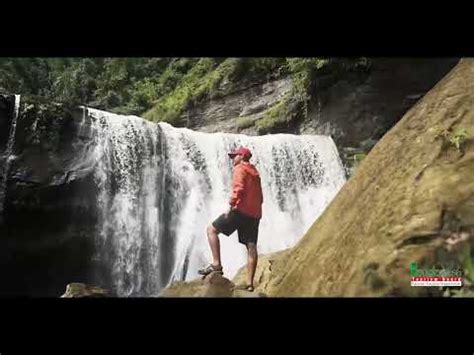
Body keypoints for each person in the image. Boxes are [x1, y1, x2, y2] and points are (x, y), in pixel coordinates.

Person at [198, 146, 263, 292]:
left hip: (240, 211)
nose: (233, 158)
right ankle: (249, 283)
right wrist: (256, 211)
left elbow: (238, 189)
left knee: (211, 230)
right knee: (251, 246)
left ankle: (216, 265)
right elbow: (261, 196)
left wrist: (231, 206)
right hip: (254, 214)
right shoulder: (255, 172)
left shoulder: (240, 168)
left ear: (241, 156)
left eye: (235, 156)